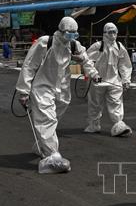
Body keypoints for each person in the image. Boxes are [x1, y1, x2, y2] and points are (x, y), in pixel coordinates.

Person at [15, 16, 100, 174]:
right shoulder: (45, 43)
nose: (72, 38)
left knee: (53, 119)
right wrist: (24, 90)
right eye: (69, 34)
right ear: (61, 31)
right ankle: (52, 156)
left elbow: (86, 60)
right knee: (47, 119)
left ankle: (41, 144)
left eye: (75, 35)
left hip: (62, 89)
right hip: (43, 87)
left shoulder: (74, 44)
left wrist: (94, 74)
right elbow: (29, 65)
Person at [84, 22, 133, 136]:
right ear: (104, 33)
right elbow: (87, 61)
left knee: (116, 103)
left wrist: (126, 80)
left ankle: (119, 125)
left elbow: (125, 65)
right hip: (98, 81)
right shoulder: (97, 46)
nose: (112, 35)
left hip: (114, 81)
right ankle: (94, 125)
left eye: (114, 32)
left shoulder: (120, 47)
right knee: (95, 105)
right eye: (110, 32)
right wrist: (93, 74)